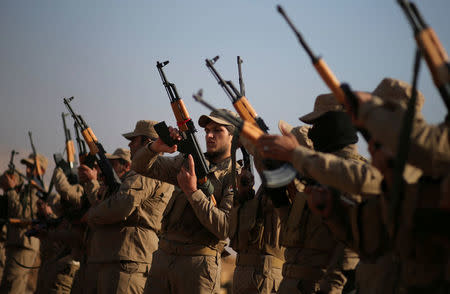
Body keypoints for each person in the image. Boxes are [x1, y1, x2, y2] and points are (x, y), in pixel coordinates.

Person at [132, 110, 240, 294]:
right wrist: (156, 148)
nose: (210, 135)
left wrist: (192, 192)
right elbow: (140, 167)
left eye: (217, 130)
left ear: (233, 136)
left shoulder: (236, 176)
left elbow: (224, 228)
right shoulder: (188, 160)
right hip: (164, 258)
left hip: (198, 264)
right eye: (206, 131)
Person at [81, 120, 175, 294]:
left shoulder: (148, 169)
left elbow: (123, 205)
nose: (130, 144)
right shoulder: (150, 169)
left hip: (128, 259)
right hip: (123, 256)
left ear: (147, 142)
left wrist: (92, 215)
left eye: (134, 140)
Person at [0, 153, 47, 293]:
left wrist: (10, 190)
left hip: (24, 244)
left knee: (12, 288)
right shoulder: (26, 188)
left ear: (41, 170)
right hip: (16, 242)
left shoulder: (37, 190)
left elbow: (23, 215)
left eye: (31, 167)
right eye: (26, 166)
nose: (27, 170)